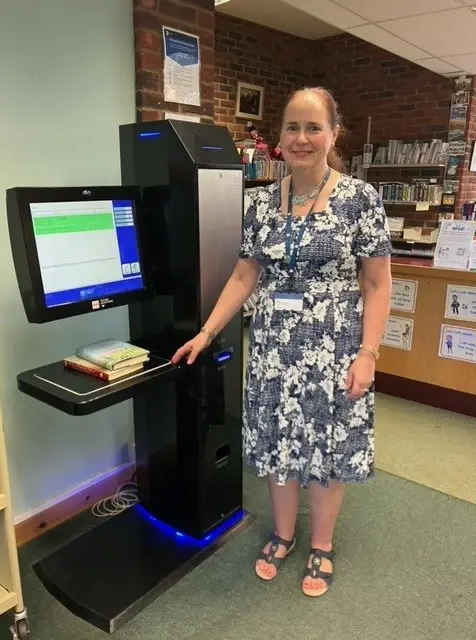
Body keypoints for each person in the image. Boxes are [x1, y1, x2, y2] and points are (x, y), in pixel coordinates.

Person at [172, 87, 392, 597]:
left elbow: (378, 285)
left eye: (313, 127)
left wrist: (369, 352)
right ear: (280, 138)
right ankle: (283, 533)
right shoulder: (262, 201)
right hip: (273, 350)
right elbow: (245, 276)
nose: (301, 138)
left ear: (334, 133)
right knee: (277, 446)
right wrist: (207, 332)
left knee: (325, 448)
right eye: (292, 127)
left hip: (335, 348)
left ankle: (321, 544)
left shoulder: (361, 200)